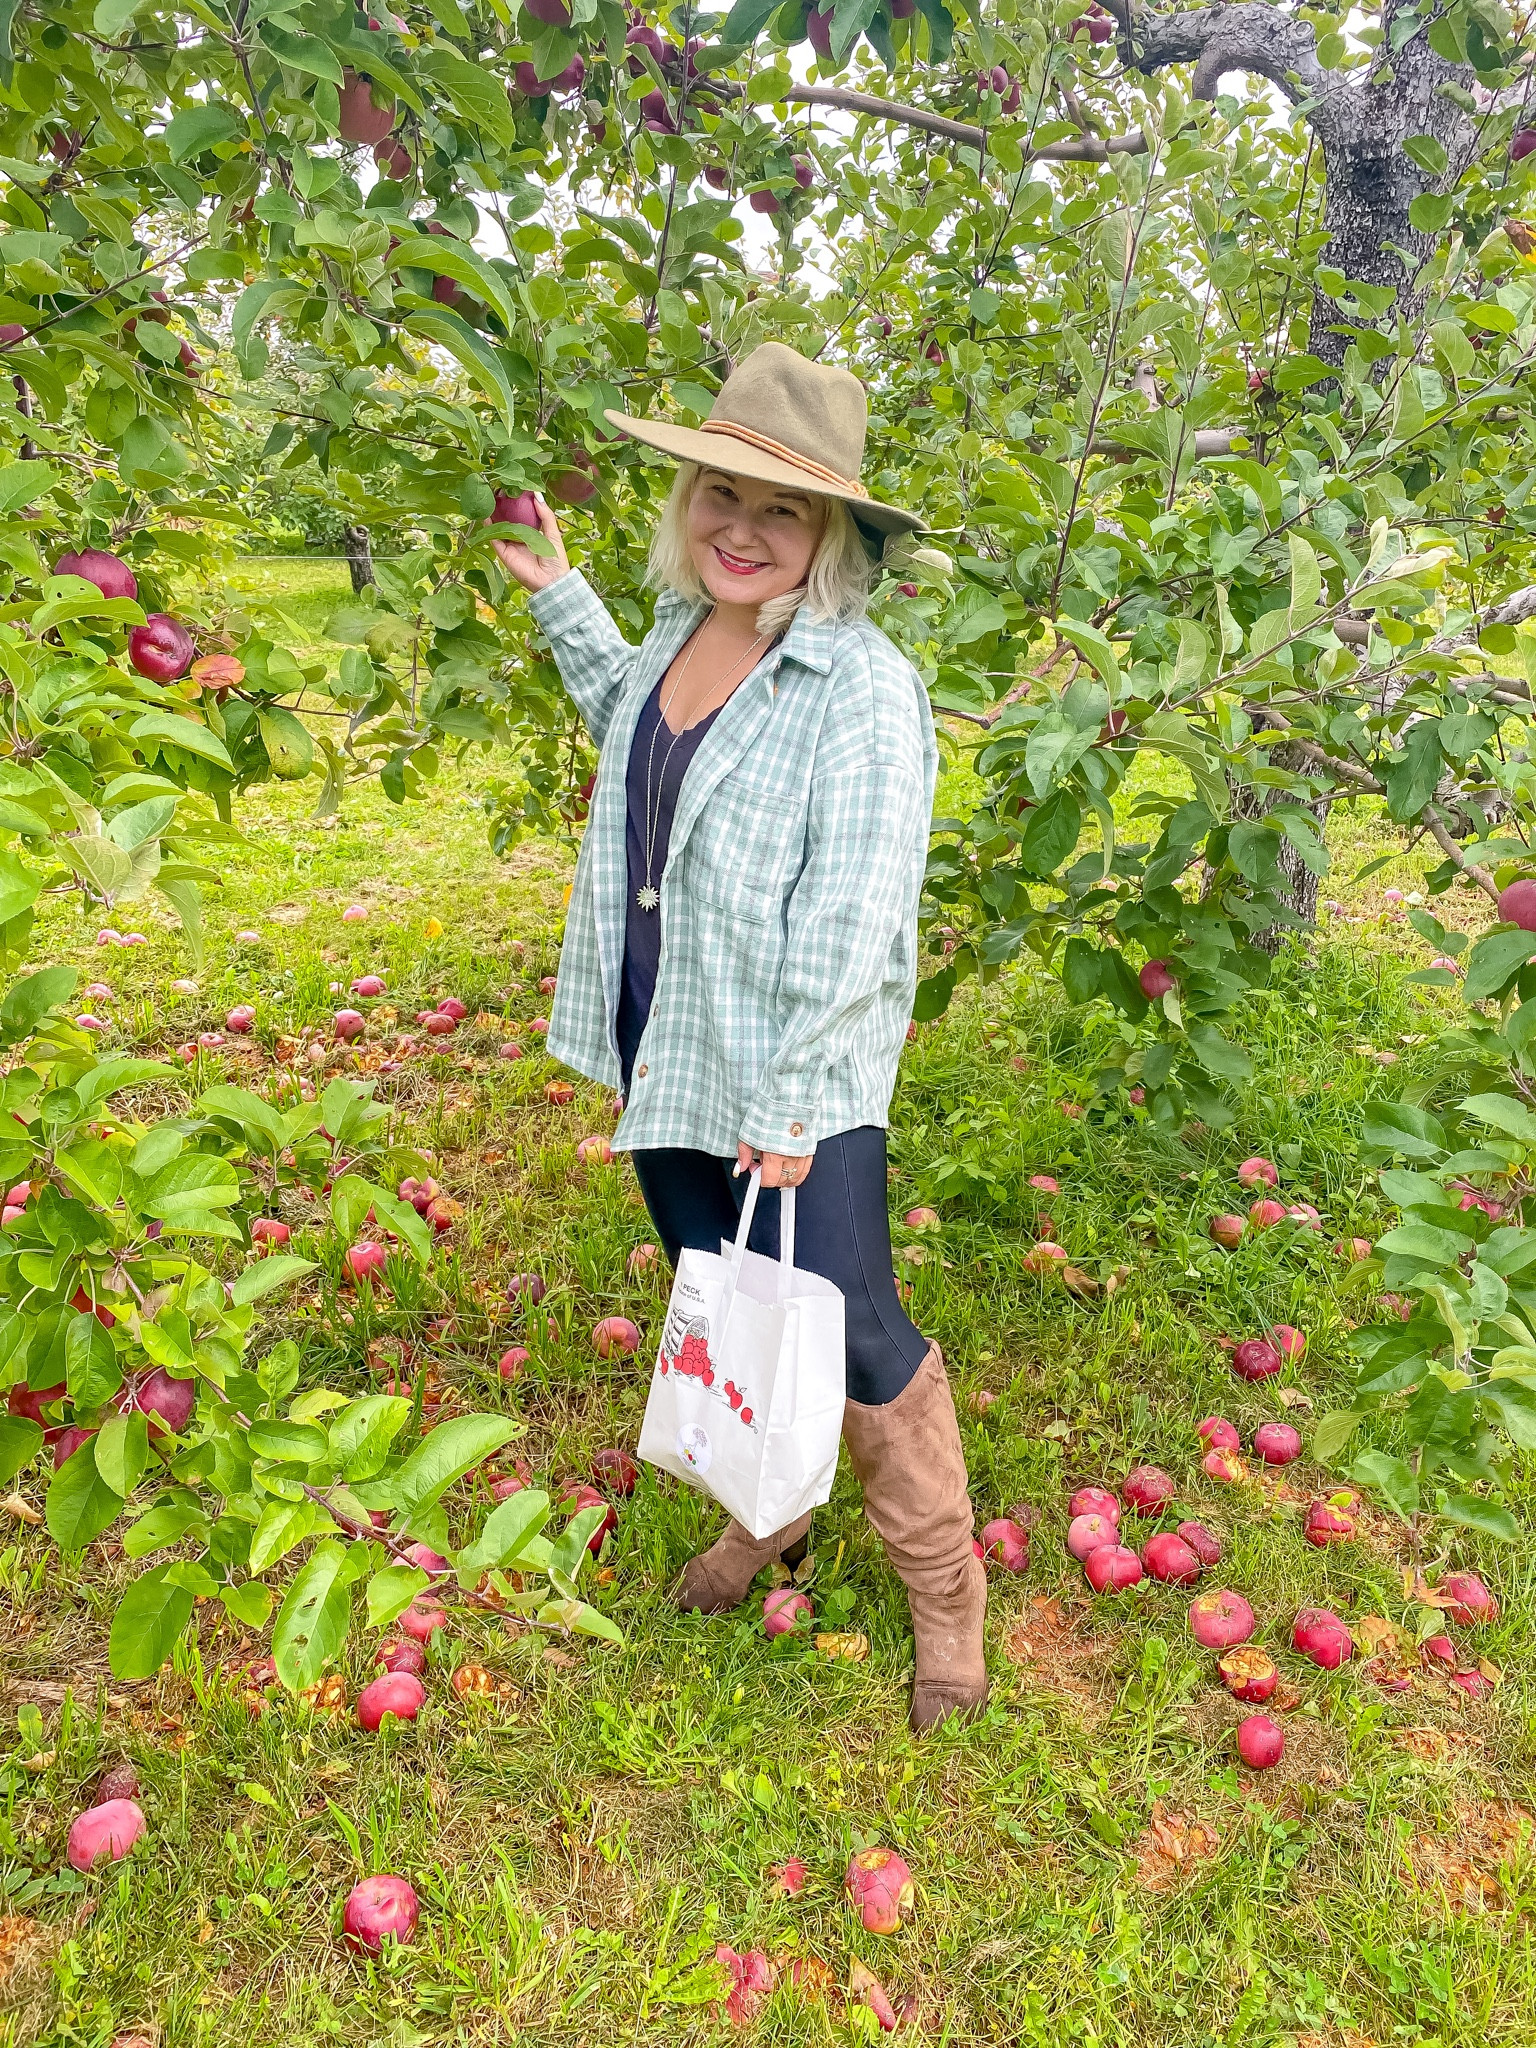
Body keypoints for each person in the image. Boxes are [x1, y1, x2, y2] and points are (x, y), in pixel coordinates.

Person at [493, 341, 986, 1731]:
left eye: (780, 508)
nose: (743, 529)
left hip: (794, 1073)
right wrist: (560, 598)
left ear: (831, 531)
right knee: (722, 1284)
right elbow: (641, 735)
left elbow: (859, 909)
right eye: (721, 492)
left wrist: (793, 1099)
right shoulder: (675, 630)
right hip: (671, 1034)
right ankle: (774, 1517)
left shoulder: (862, 688)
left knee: (850, 1325)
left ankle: (945, 1590)